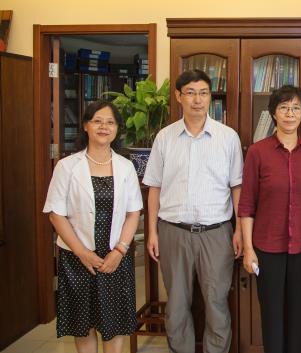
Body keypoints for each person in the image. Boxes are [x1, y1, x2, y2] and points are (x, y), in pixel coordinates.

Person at [143, 69, 244, 353]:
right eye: (190, 93)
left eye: (203, 93)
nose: (197, 100)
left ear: (210, 97)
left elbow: (237, 187)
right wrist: (152, 232)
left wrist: (239, 230)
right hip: (173, 232)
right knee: (176, 305)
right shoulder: (165, 138)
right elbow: (154, 187)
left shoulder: (228, 137)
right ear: (179, 96)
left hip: (217, 233)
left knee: (216, 302)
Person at [43, 100, 142, 353]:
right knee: (83, 325)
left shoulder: (126, 166)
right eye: (97, 121)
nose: (103, 127)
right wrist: (82, 252)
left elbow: (133, 213)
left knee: (114, 323)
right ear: (86, 126)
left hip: (115, 257)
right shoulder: (67, 166)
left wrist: (120, 250)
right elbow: (56, 214)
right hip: (77, 257)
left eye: (110, 122)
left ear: (117, 129)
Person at [239, 85, 301, 353]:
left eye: (296, 108)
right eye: (284, 107)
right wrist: (248, 248)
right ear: (273, 113)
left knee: (299, 316)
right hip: (266, 248)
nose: (290, 113)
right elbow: (246, 204)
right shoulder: (257, 152)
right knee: (271, 314)